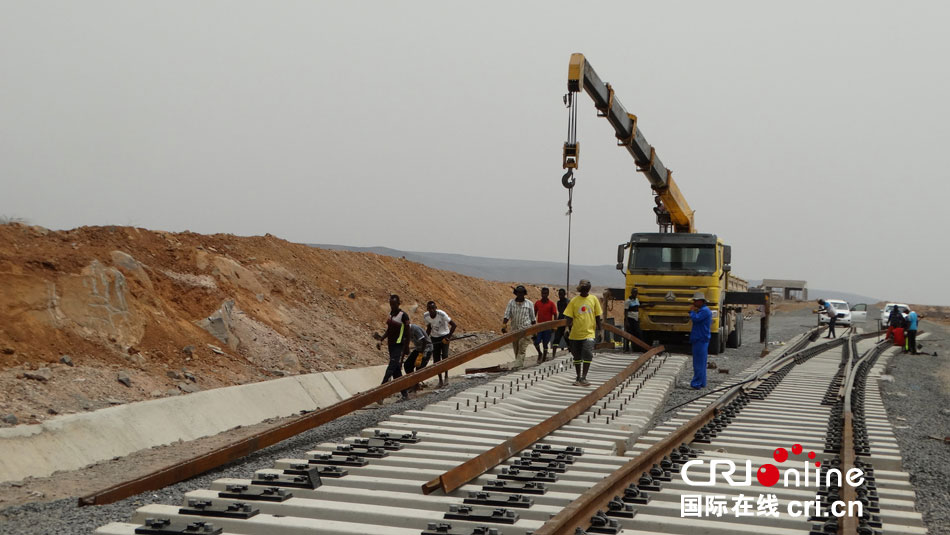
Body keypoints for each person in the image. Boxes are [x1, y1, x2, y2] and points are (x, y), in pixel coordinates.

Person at [564, 279, 603, 386]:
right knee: (576, 356)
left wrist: (600, 330)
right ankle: (578, 377)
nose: (585, 289)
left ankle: (584, 377)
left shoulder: (594, 299)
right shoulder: (574, 301)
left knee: (588, 354)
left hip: (589, 333)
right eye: (583, 287)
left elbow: (598, 316)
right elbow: (569, 316)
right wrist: (567, 328)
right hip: (575, 334)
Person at [376, 294, 411, 400]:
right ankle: (405, 395)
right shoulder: (391, 314)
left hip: (398, 345)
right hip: (391, 345)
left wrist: (406, 347)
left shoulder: (403, 315)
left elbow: (408, 332)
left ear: (398, 303)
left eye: (394, 304)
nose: (392, 306)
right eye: (391, 304)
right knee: (396, 372)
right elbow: (389, 330)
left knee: (391, 367)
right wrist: (381, 339)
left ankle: (380, 392)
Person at [501, 285, 536, 370]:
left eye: (522, 293)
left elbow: (533, 319)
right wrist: (504, 325)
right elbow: (507, 314)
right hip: (515, 330)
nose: (520, 294)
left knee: (521, 348)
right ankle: (518, 363)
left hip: (526, 330)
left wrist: (535, 331)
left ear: (524, 293)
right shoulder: (511, 303)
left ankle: (518, 365)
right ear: (516, 293)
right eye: (518, 292)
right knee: (516, 348)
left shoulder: (529, 304)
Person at [424, 301, 457, 387]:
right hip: (434, 338)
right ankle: (440, 380)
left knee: (445, 357)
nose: (431, 310)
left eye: (433, 308)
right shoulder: (426, 316)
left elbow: (454, 325)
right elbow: (429, 328)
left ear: (436, 308)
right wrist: (425, 340)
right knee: (436, 360)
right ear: (427, 309)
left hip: (444, 336)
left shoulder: (442, 314)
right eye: (429, 308)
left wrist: (448, 337)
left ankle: (446, 377)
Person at [688, 291, 712, 389]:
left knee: (698, 363)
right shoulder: (704, 310)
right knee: (701, 362)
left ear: (701, 301)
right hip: (700, 339)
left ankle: (696, 383)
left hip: (700, 339)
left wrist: (692, 312)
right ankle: (702, 382)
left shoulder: (705, 311)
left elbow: (696, 319)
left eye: (695, 301)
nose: (694, 303)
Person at [532, 288, 558, 363]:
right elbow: (534, 314)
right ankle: (540, 353)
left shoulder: (551, 304)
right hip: (539, 326)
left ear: (548, 294)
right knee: (536, 341)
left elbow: (555, 314)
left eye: (545, 293)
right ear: (541, 293)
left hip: (548, 327)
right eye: (543, 293)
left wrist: (554, 326)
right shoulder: (537, 303)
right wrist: (533, 324)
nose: (544, 295)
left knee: (545, 343)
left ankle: (544, 358)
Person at [551, 288, 569, 359]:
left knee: (568, 339)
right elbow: (560, 311)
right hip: (560, 322)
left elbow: (568, 312)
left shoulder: (567, 301)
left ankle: (571, 354)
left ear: (564, 294)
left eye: (561, 294)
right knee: (556, 339)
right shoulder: (558, 302)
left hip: (566, 322)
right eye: (559, 294)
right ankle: (553, 356)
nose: (560, 296)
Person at [623, 288, 642, 353]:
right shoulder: (628, 301)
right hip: (630, 319)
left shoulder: (637, 300)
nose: (635, 294)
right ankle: (627, 348)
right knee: (629, 334)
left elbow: (638, 308)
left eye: (636, 293)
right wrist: (627, 321)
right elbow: (625, 311)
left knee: (637, 333)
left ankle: (636, 348)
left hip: (635, 319)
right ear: (631, 293)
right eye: (634, 293)